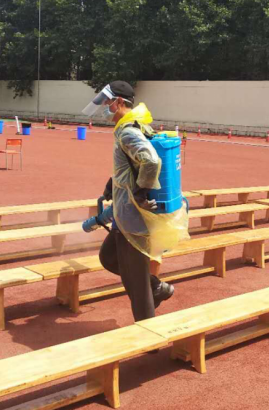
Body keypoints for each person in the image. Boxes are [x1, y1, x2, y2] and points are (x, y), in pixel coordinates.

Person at [82, 81, 187, 322]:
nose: (104, 108)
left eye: (107, 103)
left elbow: (150, 161)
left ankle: (148, 334)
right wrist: (113, 183)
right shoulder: (130, 126)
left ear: (119, 102)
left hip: (134, 217)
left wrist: (139, 192)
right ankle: (156, 288)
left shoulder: (128, 131)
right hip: (124, 213)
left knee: (137, 286)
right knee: (109, 257)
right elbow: (132, 165)